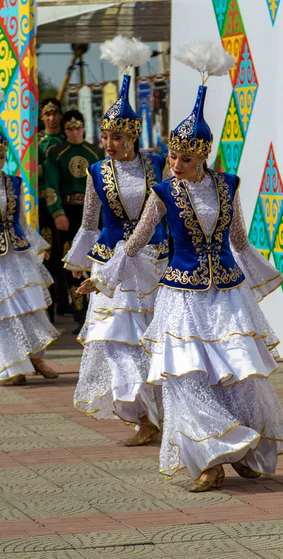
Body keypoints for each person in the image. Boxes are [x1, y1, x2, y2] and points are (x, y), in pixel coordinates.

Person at [78, 41, 283, 491]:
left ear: (204, 156)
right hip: (180, 297)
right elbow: (135, 243)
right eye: (173, 156)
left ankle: (245, 449)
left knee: (241, 375)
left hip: (227, 296)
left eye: (186, 159)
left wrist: (261, 279)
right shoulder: (164, 193)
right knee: (184, 378)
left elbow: (238, 241)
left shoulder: (228, 186)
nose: (175, 164)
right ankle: (209, 458)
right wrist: (101, 278)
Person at [64, 36, 169, 445]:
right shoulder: (95, 171)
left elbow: (167, 211)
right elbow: (90, 222)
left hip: (150, 263)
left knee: (149, 339)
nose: (108, 144)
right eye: (104, 137)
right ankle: (141, 414)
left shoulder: (158, 164)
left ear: (133, 135)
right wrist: (77, 260)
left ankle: (159, 413)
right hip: (109, 265)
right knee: (112, 339)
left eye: (116, 138)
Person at [0, 128, 59, 385]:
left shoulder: (14, 182)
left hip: (16, 252)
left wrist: (37, 246)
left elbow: (21, 221)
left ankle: (36, 358)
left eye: (0, 156)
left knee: (30, 304)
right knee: (4, 311)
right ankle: (12, 366)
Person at [43, 110, 104, 333]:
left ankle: (97, 312)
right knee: (73, 265)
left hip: (94, 213)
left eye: (78, 127)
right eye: (70, 128)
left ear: (84, 128)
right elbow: (50, 186)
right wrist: (57, 212)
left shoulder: (96, 152)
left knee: (99, 262)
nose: (75, 132)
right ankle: (79, 314)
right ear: (65, 130)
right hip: (67, 214)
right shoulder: (56, 153)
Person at [38, 97, 69, 321]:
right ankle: (49, 304)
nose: (51, 118)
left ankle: (66, 301)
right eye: (47, 114)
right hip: (41, 207)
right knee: (46, 254)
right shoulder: (35, 143)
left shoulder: (68, 141)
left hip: (67, 207)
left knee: (65, 253)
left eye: (55, 113)